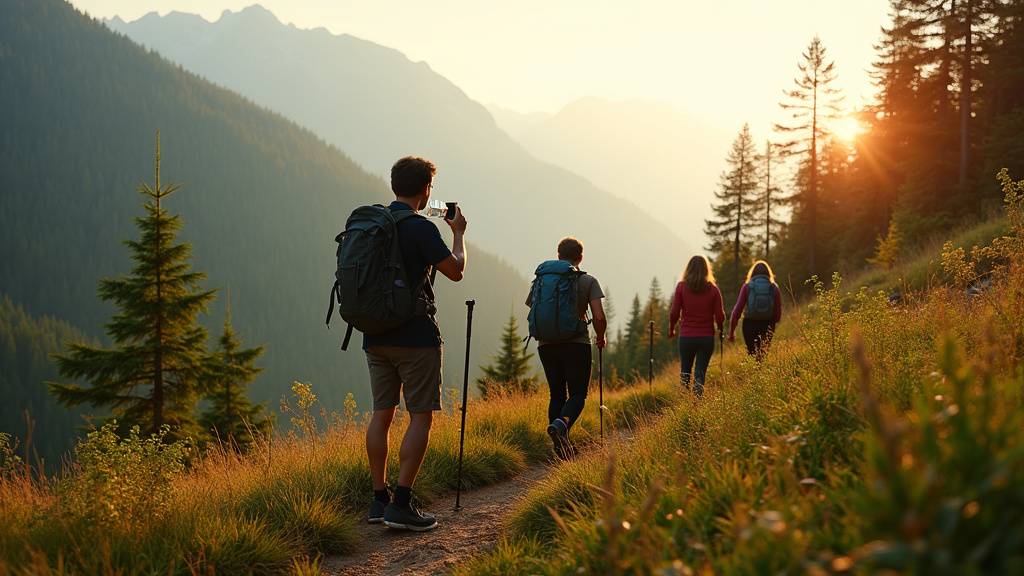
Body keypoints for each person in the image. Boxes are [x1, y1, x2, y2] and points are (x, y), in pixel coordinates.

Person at [364, 156, 467, 532]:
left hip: (375, 335)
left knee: (382, 415)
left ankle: (379, 499)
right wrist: (458, 234)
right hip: (416, 337)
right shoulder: (421, 228)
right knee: (420, 416)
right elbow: (455, 271)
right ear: (426, 190)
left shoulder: (375, 223)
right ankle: (402, 503)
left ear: (395, 184)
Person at [526, 237, 606, 459]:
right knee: (578, 394)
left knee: (557, 394)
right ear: (580, 257)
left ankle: (561, 447)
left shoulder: (542, 280)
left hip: (546, 345)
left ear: (558, 255)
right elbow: (599, 317)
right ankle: (561, 425)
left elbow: (533, 305)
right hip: (576, 344)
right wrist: (601, 337)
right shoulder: (587, 281)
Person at [668, 255, 725, 398]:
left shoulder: (681, 287)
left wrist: (672, 328)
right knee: (700, 373)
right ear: (706, 270)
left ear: (689, 269)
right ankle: (697, 402)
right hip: (706, 338)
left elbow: (674, 312)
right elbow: (720, 315)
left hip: (686, 337)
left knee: (685, 372)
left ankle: (684, 401)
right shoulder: (713, 290)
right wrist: (720, 329)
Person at [729, 260, 782, 361]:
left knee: (752, 354)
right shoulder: (774, 287)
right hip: (768, 324)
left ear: (752, 273)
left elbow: (737, 311)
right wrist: (772, 323)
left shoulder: (747, 286)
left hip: (749, 325)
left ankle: (753, 370)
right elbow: (778, 312)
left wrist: (731, 332)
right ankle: (761, 370)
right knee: (763, 355)